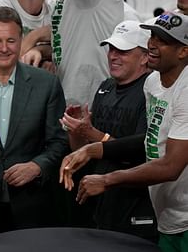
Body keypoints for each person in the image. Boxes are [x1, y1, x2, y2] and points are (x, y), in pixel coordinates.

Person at [61, 10, 188, 252]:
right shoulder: (153, 83)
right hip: (167, 214)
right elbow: (150, 140)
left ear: (183, 51)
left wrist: (108, 180)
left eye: (163, 41)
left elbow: (171, 166)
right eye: (152, 36)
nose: (152, 44)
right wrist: (92, 149)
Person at [0, 6, 69, 236]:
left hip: (31, 206)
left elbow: (59, 141)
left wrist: (37, 166)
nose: (4, 48)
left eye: (11, 40)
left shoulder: (47, 84)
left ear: (21, 41)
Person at [60, 20, 157, 241]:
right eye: (112, 49)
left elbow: (142, 150)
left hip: (134, 200)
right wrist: (75, 129)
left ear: (144, 57)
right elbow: (85, 150)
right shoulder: (106, 87)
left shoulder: (151, 91)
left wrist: (93, 136)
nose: (113, 56)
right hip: (98, 199)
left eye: (123, 51)